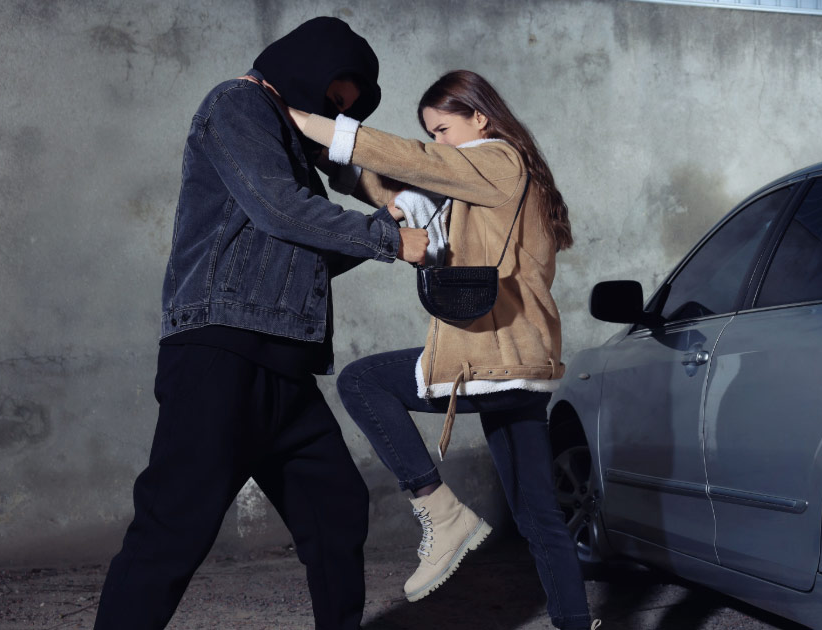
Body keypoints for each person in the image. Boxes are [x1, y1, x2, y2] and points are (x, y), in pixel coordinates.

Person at [94, 17, 428, 630]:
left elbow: (306, 248)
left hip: (284, 366)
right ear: (306, 67)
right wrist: (387, 237)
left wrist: (386, 216)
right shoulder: (238, 103)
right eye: (333, 97)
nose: (331, 112)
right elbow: (280, 211)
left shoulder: (291, 155)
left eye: (342, 108)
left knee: (337, 511)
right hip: (221, 355)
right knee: (174, 529)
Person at [286, 70, 599, 630]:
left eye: (444, 129)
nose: (438, 143)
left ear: (481, 117)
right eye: (430, 133)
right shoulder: (482, 176)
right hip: (521, 359)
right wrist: (338, 163)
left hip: (495, 348)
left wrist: (310, 122)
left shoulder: (500, 160)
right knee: (536, 513)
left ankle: (438, 507)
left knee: (362, 381)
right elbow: (403, 184)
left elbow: (421, 165)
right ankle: (576, 623)